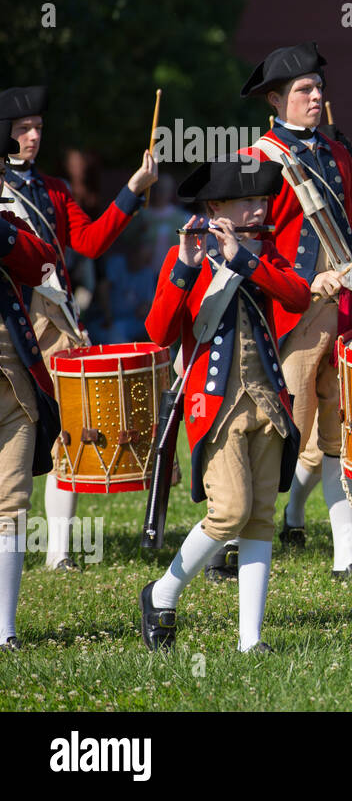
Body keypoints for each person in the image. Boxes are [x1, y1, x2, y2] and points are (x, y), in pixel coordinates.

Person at [239, 43, 352, 583]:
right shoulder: (259, 159)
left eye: (319, 88)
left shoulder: (337, 154)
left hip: (344, 314)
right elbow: (255, 246)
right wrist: (299, 285)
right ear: (275, 100)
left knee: (340, 440)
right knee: (281, 440)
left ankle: (347, 558)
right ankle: (233, 537)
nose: (317, 97)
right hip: (289, 318)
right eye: (304, 91)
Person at [139, 154, 308, 652]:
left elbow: (297, 297)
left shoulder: (261, 253)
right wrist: (187, 272)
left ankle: (249, 639)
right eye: (248, 201)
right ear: (217, 207)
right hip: (215, 407)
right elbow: (158, 333)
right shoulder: (187, 255)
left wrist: (245, 259)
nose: (260, 208)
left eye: (262, 199)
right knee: (230, 512)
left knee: (259, 518)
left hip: (267, 402)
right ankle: (163, 593)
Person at [0, 85, 158, 571]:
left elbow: (89, 242)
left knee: (67, 434)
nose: (32, 137)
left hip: (56, 320)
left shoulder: (53, 190)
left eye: (39, 129)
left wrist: (132, 189)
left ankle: (59, 550)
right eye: (23, 129)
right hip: (11, 321)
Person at [0, 123, 61, 650]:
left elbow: (45, 264)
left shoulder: (6, 226)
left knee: (13, 503)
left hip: (15, 381)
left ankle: (6, 630)